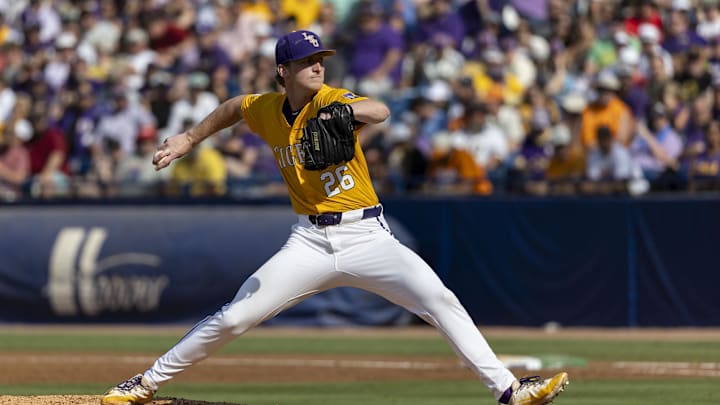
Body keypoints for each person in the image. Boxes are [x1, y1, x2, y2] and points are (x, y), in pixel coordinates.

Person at [100, 29, 569, 405]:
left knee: (440, 300)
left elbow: (379, 110)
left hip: (368, 236)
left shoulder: (329, 98)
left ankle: (509, 391)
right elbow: (231, 109)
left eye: (320, 58)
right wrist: (187, 138)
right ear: (283, 71)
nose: (318, 65)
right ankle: (143, 383)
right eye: (307, 61)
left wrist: (345, 110)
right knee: (233, 319)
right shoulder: (265, 109)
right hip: (307, 243)